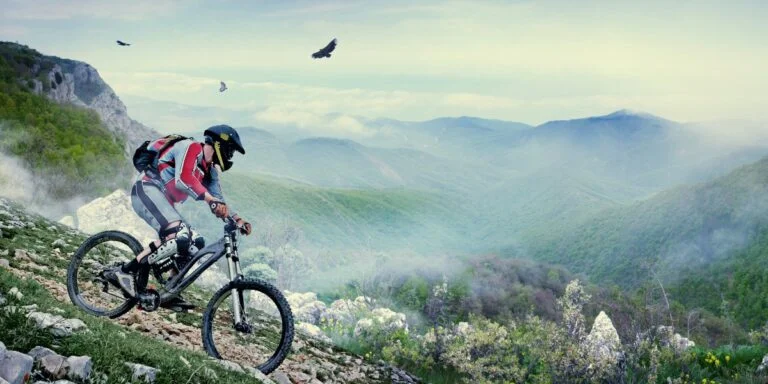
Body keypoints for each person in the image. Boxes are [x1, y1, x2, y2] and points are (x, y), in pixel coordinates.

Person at [105, 124, 252, 311]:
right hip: (146, 190)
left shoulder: (210, 170)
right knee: (179, 233)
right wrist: (209, 199)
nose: (230, 157)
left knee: (196, 242)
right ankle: (124, 272)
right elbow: (183, 180)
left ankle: (170, 291)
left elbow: (219, 200)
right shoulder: (191, 147)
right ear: (219, 144)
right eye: (230, 151)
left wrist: (237, 219)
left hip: (164, 202)